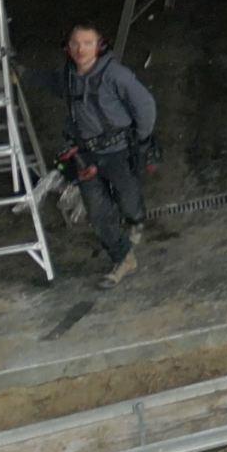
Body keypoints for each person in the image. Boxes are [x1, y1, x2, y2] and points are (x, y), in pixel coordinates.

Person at [49, 22, 161, 288]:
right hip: (85, 155)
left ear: (99, 46)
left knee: (128, 198)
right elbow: (55, 85)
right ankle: (123, 258)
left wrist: (142, 138)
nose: (80, 49)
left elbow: (145, 104)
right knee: (98, 214)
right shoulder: (69, 76)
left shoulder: (115, 75)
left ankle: (136, 220)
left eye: (88, 43)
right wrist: (21, 74)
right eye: (75, 43)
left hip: (119, 151)